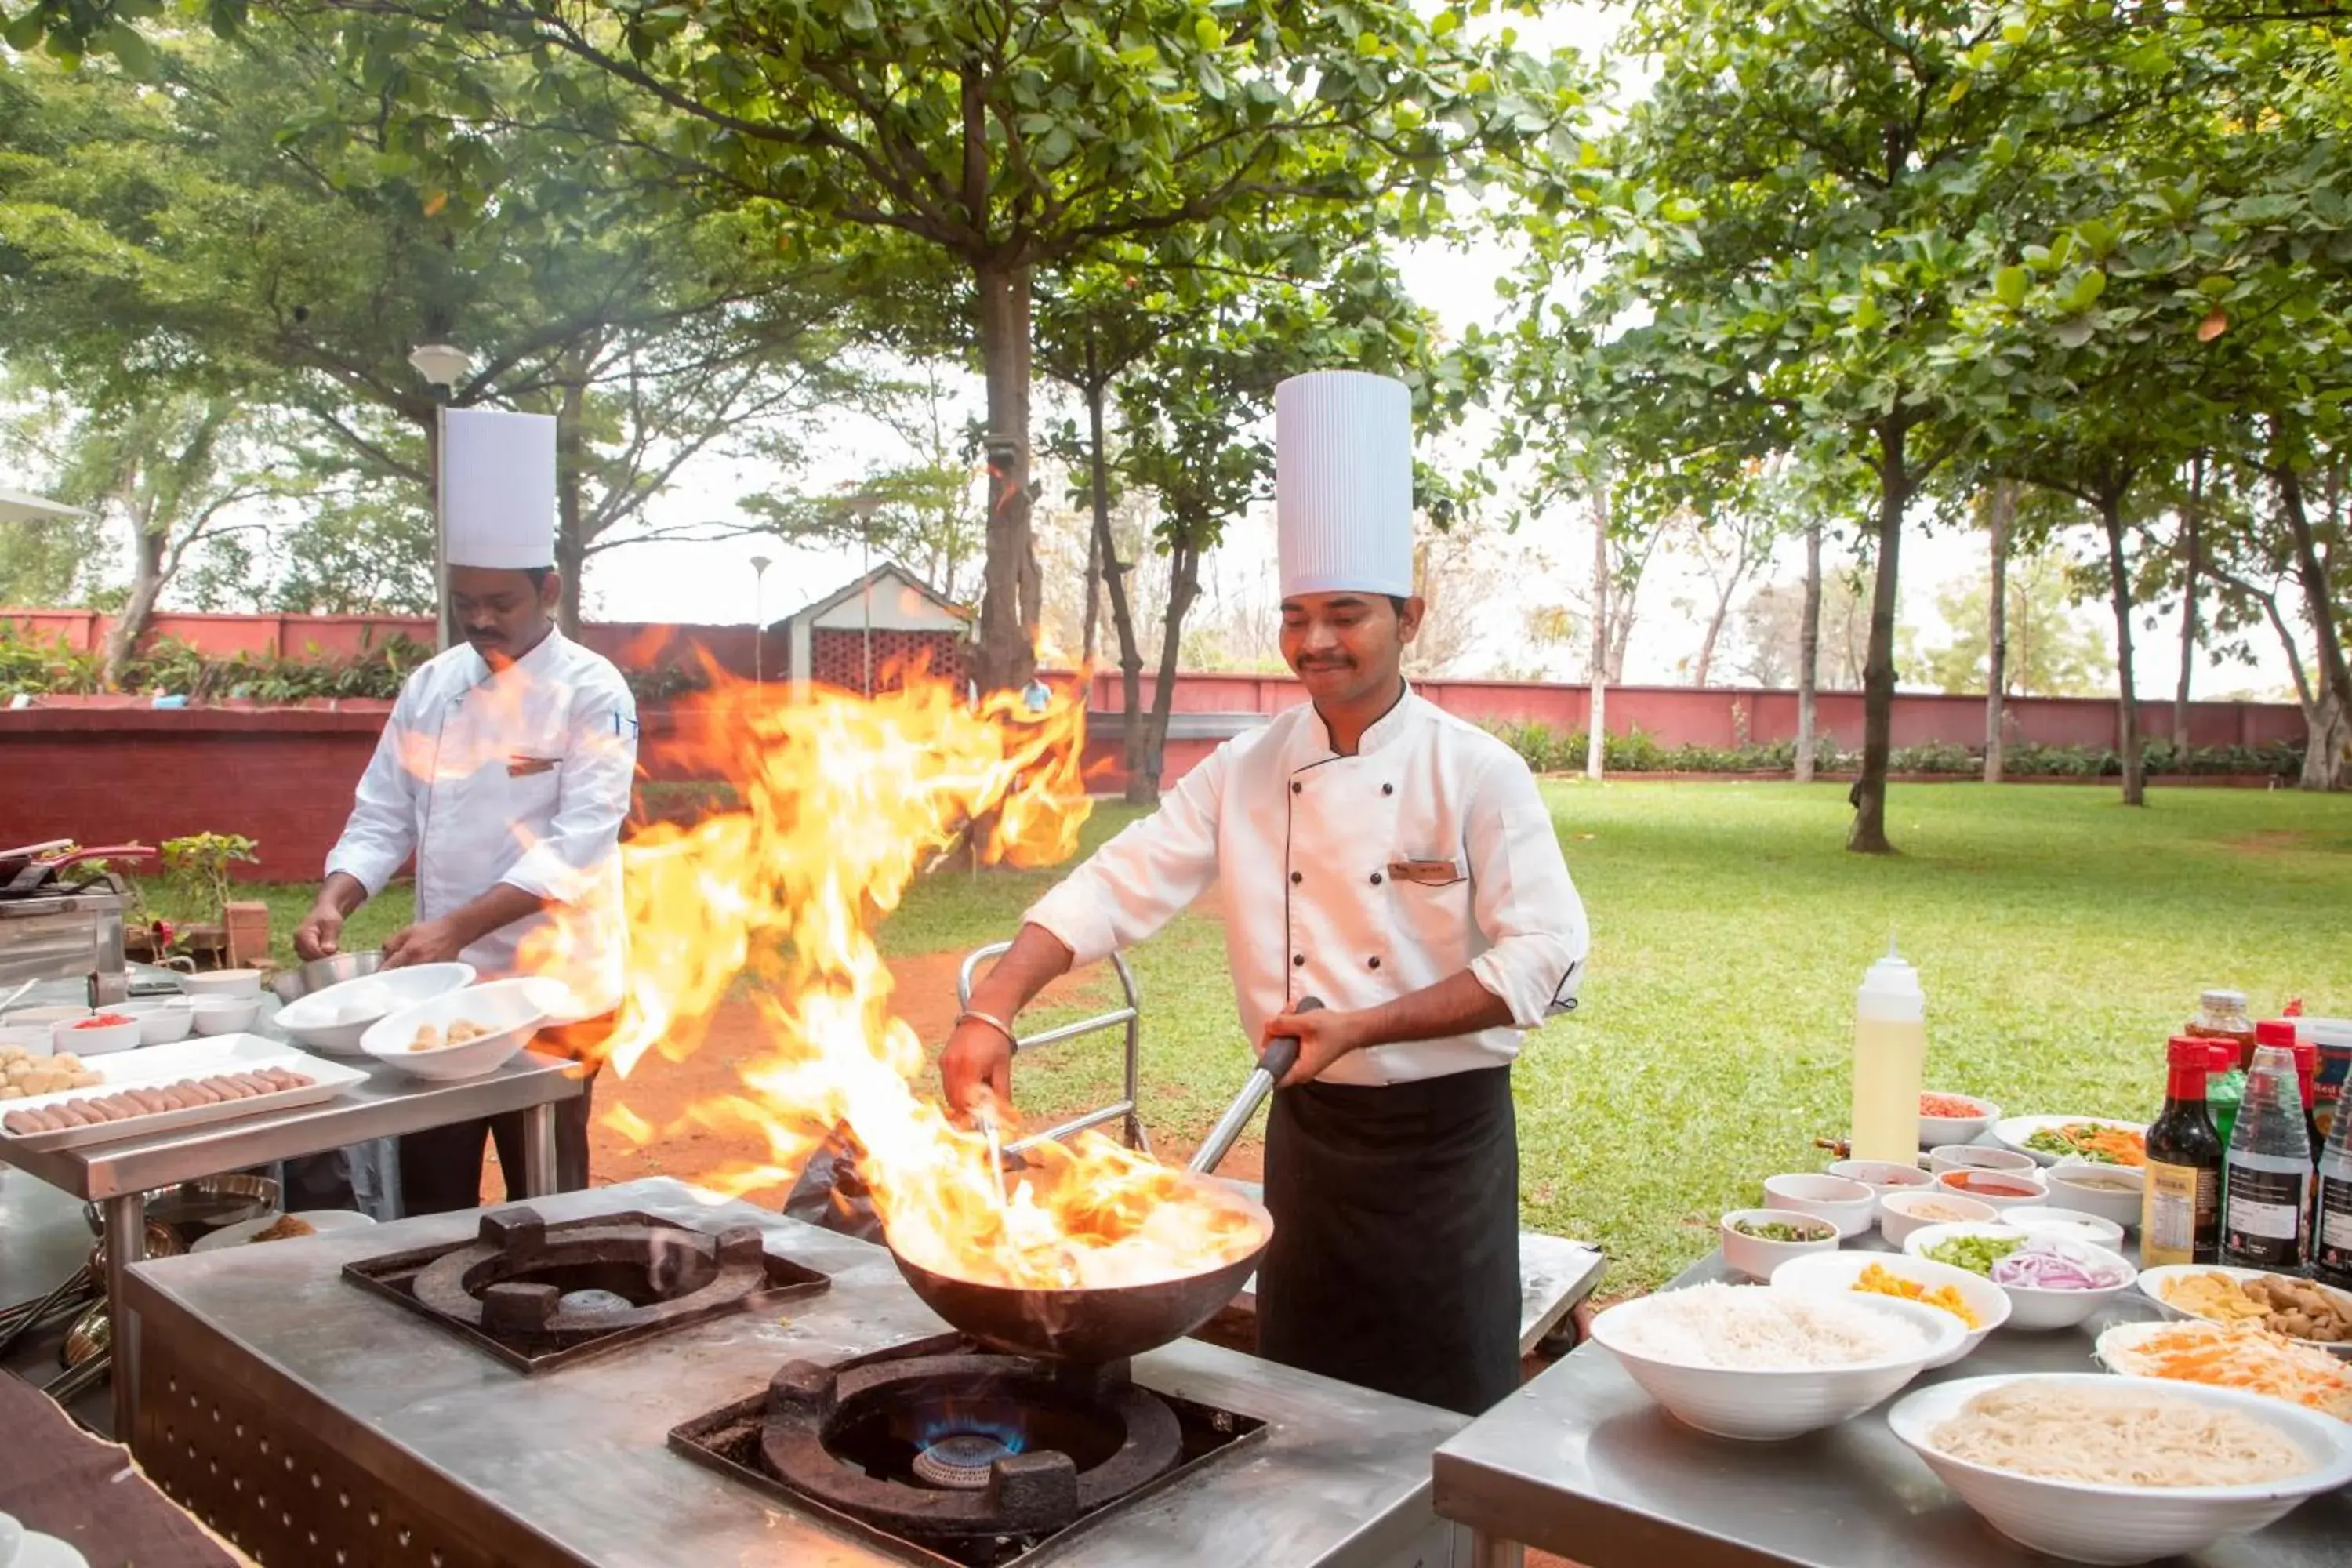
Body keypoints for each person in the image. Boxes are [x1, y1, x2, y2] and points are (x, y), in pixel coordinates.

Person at [941, 371, 1588, 1415]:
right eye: (1296, 616)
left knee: (1439, 1415)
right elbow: (1116, 883)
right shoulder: (1248, 766)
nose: (1316, 642)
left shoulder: (1477, 772)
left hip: (1442, 1150)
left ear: (1408, 618)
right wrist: (992, 1006)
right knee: (1301, 1405)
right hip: (1308, 1143)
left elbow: (1546, 956)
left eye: (1346, 614)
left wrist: (1366, 1027)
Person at [295, 407, 638, 1215]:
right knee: (430, 1192)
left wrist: (456, 925)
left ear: (547, 590)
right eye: (464, 602)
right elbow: (383, 812)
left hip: (554, 988)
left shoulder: (594, 690)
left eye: (500, 602)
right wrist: (334, 895)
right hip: (439, 986)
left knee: (544, 1199)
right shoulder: (431, 686)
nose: (480, 619)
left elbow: (581, 843)